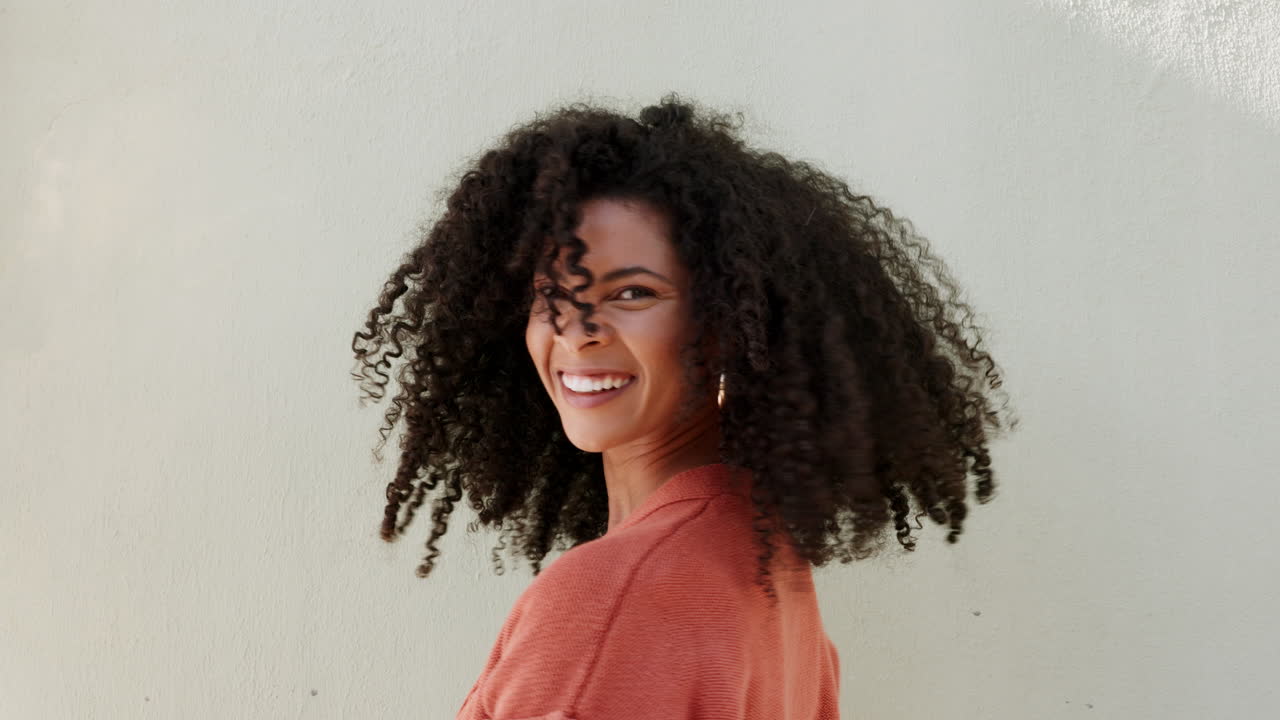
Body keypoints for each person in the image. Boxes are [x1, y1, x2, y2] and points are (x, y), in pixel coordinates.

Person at [350, 92, 1017, 719]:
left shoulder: (610, 596)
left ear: (729, 322)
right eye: (551, 295)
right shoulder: (765, 565)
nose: (577, 332)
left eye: (632, 293)